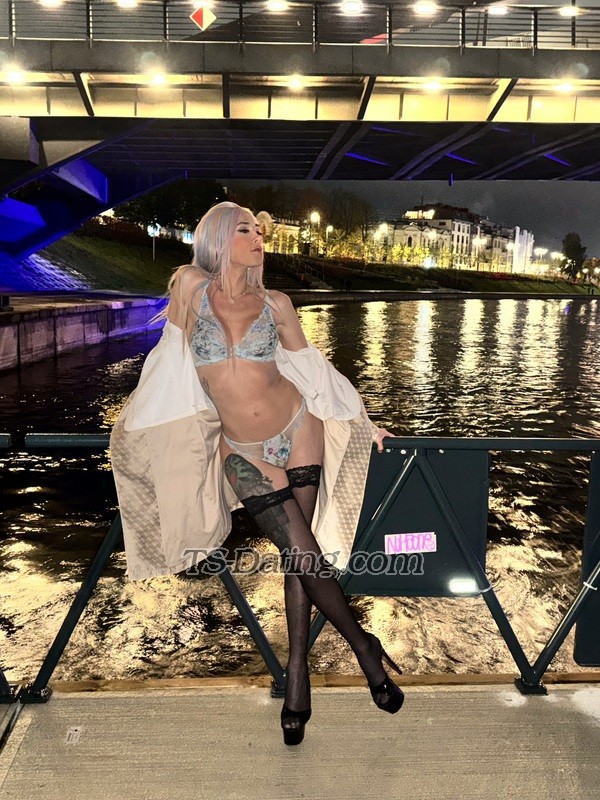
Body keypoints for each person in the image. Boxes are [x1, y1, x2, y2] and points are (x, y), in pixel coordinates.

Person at [110, 201, 403, 747]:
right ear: (219, 237)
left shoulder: (277, 304)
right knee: (300, 549)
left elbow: (312, 367)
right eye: (244, 229)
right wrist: (136, 427)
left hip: (299, 427)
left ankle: (297, 675)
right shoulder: (191, 289)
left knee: (299, 553)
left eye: (259, 230)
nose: (258, 237)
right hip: (240, 449)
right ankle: (363, 646)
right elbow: (167, 361)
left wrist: (362, 421)